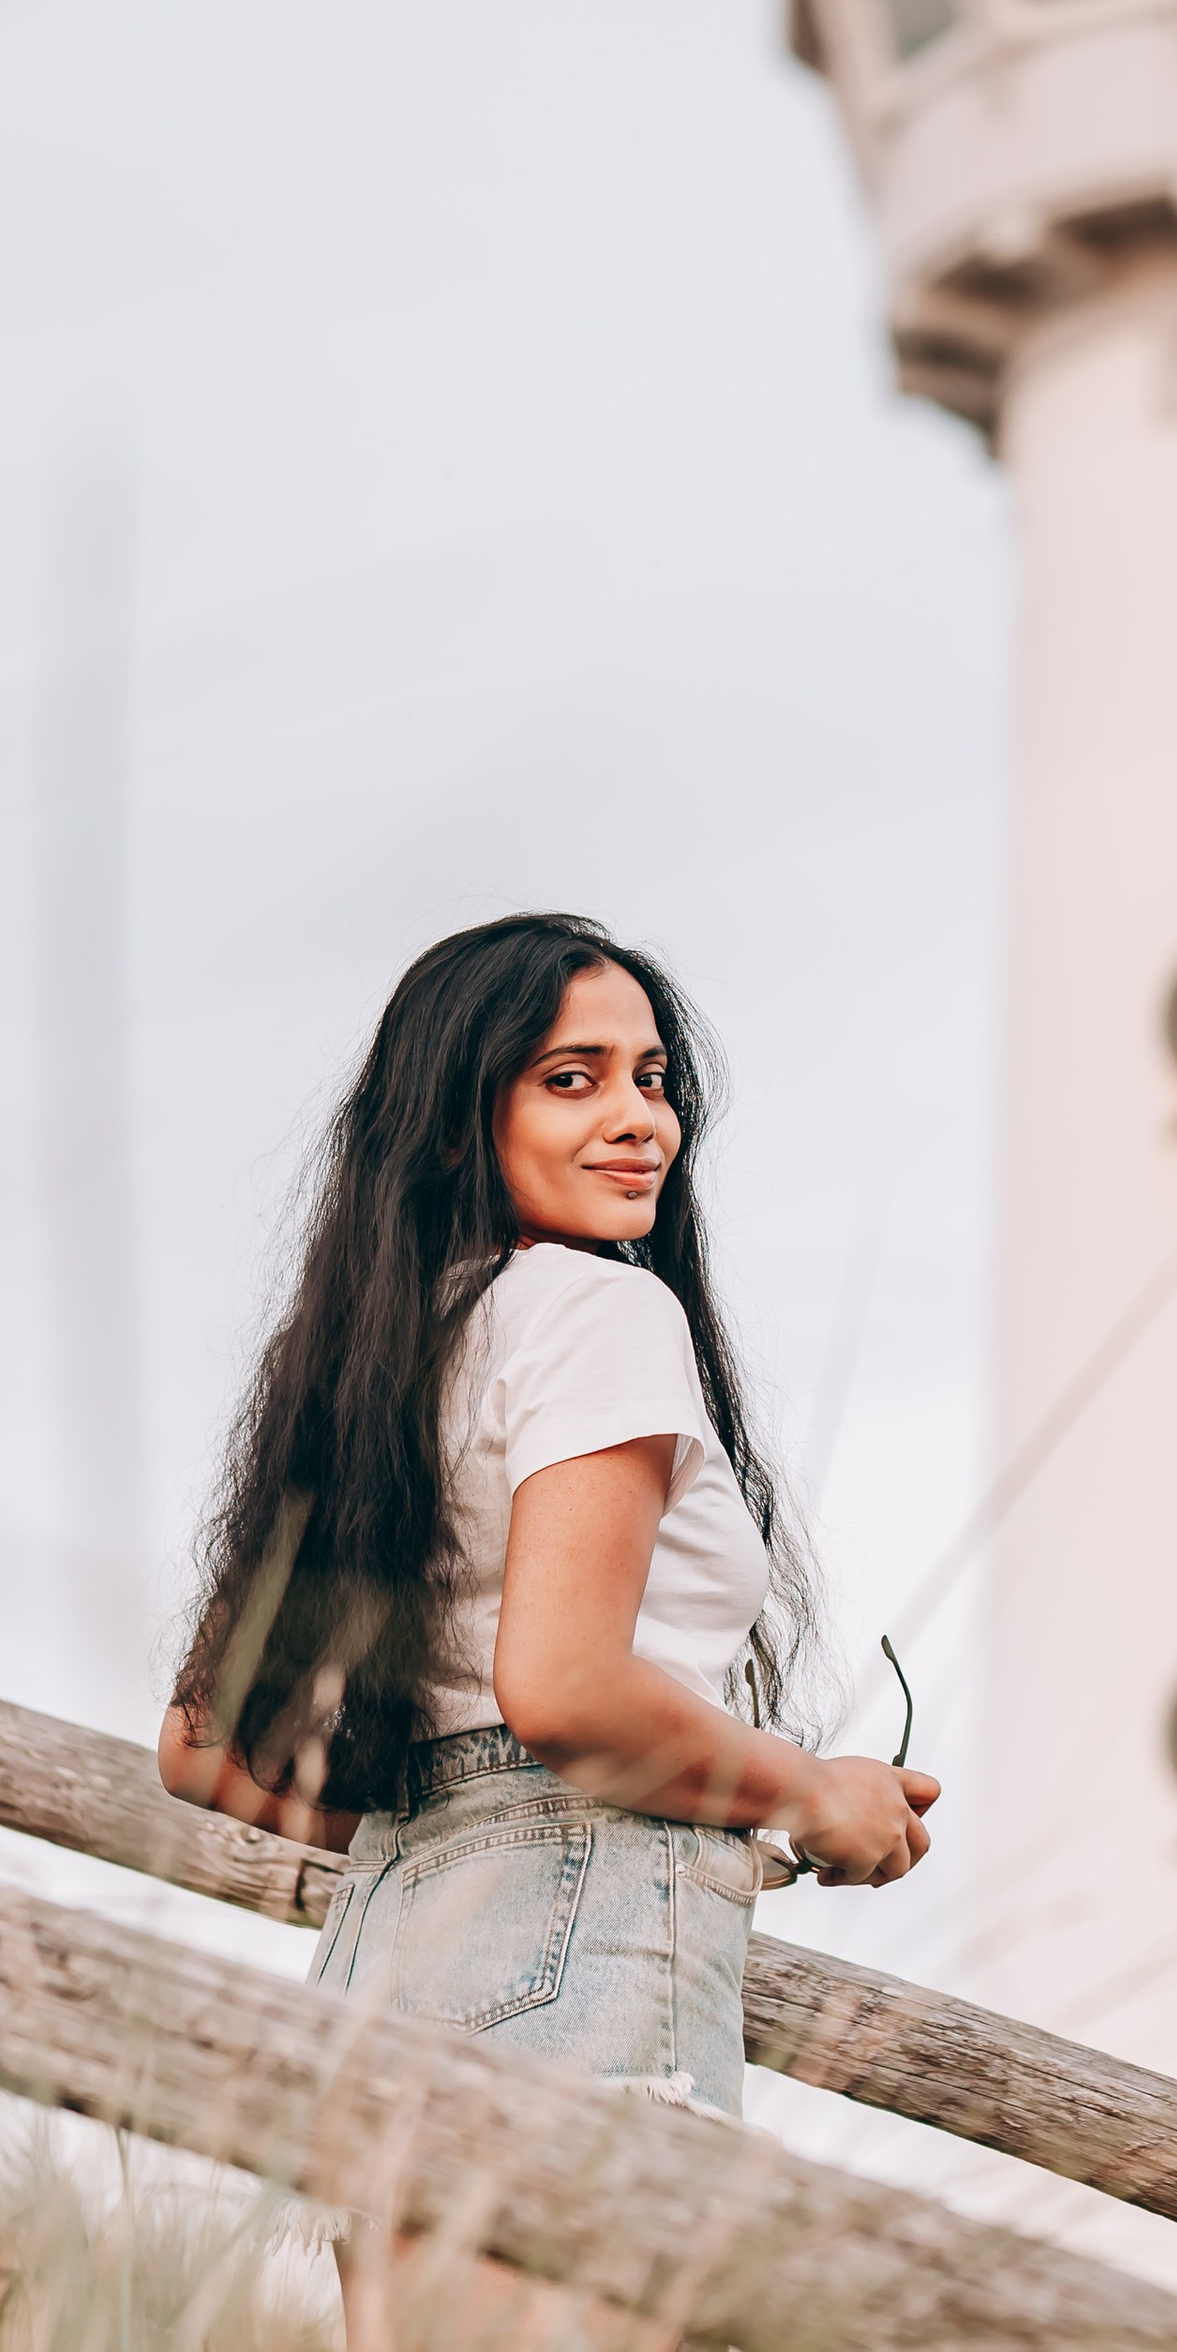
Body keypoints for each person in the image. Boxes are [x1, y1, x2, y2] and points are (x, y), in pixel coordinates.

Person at [160, 911, 936, 2131]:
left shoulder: (359, 1357)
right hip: (586, 1941)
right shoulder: (597, 1310)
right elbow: (567, 1691)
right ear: (460, 1113)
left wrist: (455, 1829)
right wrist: (810, 1792)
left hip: (382, 1963)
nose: (639, 1120)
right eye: (569, 1081)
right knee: (606, 2327)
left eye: (653, 1079)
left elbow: (201, 1750)